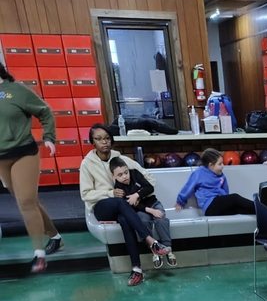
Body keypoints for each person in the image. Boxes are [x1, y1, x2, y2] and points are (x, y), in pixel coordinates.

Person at [80, 123, 170, 287]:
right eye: (99, 139)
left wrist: (137, 193)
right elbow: (85, 194)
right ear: (93, 142)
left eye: (107, 138)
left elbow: (149, 178)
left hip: (123, 207)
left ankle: (137, 270)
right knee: (120, 202)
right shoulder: (87, 164)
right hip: (102, 207)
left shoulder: (120, 159)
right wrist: (109, 193)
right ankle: (151, 242)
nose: (104, 142)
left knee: (125, 219)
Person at [0, 61, 63, 273]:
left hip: (23, 153)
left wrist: (49, 137)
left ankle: (39, 255)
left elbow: (45, 111)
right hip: (1, 159)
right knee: (29, 201)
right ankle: (55, 236)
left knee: (26, 202)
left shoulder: (17, 91)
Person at [109, 156, 176, 268]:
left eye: (126, 172)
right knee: (143, 222)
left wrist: (137, 195)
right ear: (113, 176)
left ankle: (168, 249)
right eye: (120, 175)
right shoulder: (118, 189)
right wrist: (151, 211)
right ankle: (155, 251)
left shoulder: (135, 173)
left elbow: (149, 188)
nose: (125, 176)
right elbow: (132, 206)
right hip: (142, 210)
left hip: (153, 203)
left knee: (161, 219)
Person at [176, 147, 258, 217]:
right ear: (211, 165)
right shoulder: (199, 173)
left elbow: (225, 190)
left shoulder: (221, 175)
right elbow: (188, 187)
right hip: (209, 206)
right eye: (220, 164)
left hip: (219, 205)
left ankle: (263, 213)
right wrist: (180, 202)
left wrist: (228, 203)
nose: (223, 166)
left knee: (238, 209)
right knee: (235, 197)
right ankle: (260, 207)